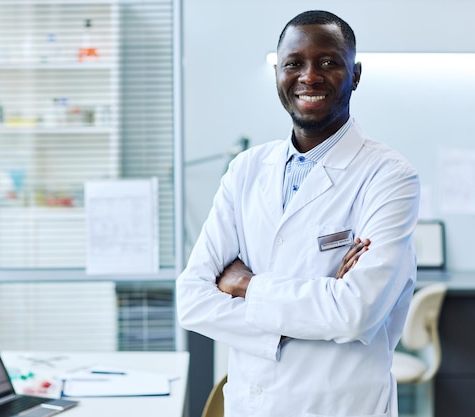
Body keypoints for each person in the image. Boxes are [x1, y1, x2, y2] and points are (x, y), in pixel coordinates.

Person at [176, 9, 420, 417]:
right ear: (278, 73)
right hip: (250, 404)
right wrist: (315, 312)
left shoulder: (390, 176)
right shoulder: (246, 169)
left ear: (355, 75)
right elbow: (192, 300)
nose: (310, 76)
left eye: (328, 62)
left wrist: (246, 286)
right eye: (294, 63)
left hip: (340, 406)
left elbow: (355, 313)